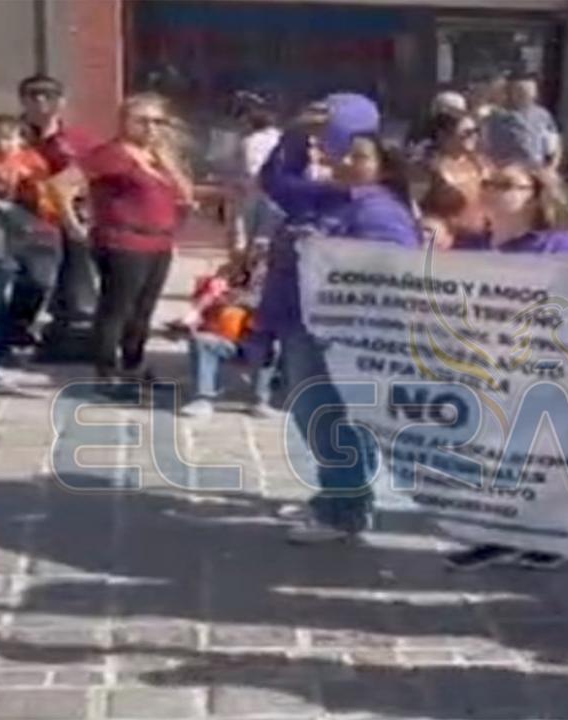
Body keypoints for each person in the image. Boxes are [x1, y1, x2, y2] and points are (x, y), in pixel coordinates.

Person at [440, 161, 568, 573]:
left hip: (549, 369)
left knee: (546, 455)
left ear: (536, 195)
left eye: (507, 184)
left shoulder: (564, 248)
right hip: (489, 368)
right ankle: (497, 533)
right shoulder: (476, 245)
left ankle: (550, 537)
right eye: (489, 182)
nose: (492, 190)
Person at [256, 107, 420, 544]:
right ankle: (343, 495)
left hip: (341, 333)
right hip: (301, 320)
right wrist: (296, 134)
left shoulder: (381, 211)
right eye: (342, 151)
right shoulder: (328, 196)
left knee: (327, 417)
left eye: (359, 156)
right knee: (317, 414)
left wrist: (328, 251)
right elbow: (275, 182)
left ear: (383, 167)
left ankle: (343, 509)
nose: (345, 161)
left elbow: (392, 268)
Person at [71, 93, 193, 386]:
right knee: (117, 308)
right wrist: (74, 225)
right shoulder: (111, 154)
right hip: (123, 241)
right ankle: (106, 371)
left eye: (157, 122)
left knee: (143, 309)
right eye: (142, 121)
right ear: (124, 121)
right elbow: (61, 185)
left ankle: (133, 365)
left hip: (158, 243)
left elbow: (186, 194)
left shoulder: (159, 157)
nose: (151, 128)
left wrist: (167, 162)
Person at [0, 114, 65, 361]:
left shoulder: (34, 161)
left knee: (40, 281)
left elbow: (45, 189)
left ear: (21, 139)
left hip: (38, 229)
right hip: (0, 231)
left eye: (9, 137)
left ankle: (19, 324)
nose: (4, 143)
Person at [18, 74, 99, 360]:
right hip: (22, 217)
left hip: (68, 217)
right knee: (32, 279)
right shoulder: (10, 135)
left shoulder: (77, 140)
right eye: (33, 95)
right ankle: (14, 329)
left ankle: (69, 333)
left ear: (61, 101)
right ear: (23, 100)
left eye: (48, 95)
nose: (41, 101)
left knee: (74, 278)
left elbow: (93, 175)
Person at [178, 246, 274, 419]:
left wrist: (243, 301)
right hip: (229, 334)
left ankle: (260, 400)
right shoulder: (229, 271)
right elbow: (208, 295)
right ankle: (203, 398)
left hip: (262, 335)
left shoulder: (284, 277)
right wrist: (197, 312)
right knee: (202, 340)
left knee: (274, 342)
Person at [419, 111, 489, 249]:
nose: (473, 137)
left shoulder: (479, 163)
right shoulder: (428, 168)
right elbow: (416, 208)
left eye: (476, 131)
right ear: (444, 135)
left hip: (481, 238)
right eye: (467, 133)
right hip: (448, 241)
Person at [228, 92, 283, 255]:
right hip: (278, 201)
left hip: (255, 199)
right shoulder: (282, 138)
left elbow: (253, 172)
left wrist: (236, 185)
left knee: (247, 247)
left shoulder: (252, 142)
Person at [483, 74, 561, 168]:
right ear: (512, 92)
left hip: (536, 167)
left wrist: (552, 167)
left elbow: (554, 145)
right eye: (520, 90)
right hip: (507, 168)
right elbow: (486, 147)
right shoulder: (497, 117)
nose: (525, 93)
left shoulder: (543, 115)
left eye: (529, 90)